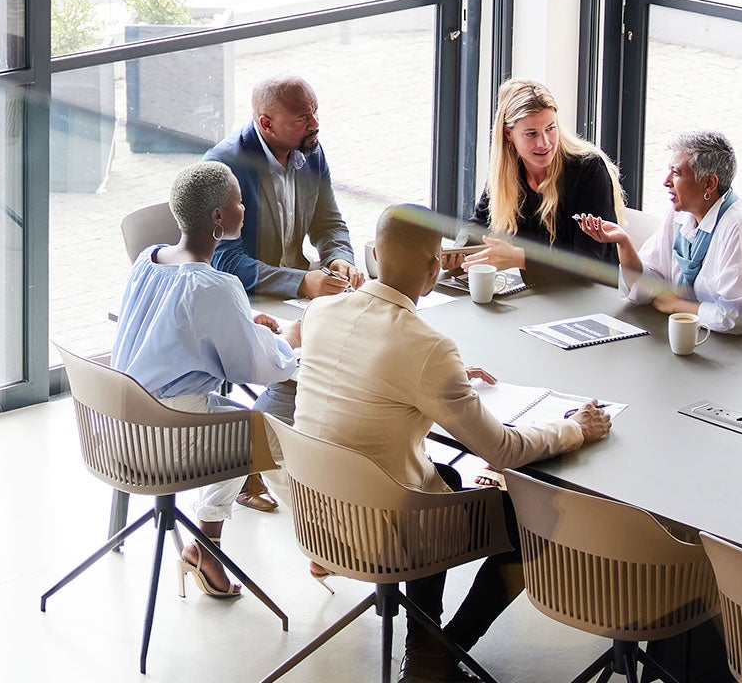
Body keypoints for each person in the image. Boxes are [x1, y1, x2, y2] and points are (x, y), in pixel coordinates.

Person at [295, 204, 613, 681]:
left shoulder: (322, 311)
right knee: (531, 515)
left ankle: (425, 643)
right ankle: (440, 654)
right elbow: (503, 452)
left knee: (441, 476)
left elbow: (364, 368)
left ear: (377, 255)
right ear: (433, 269)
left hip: (317, 516)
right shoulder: (427, 348)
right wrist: (575, 429)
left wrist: (434, 383)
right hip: (382, 532)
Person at [112, 161, 302, 598]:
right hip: (165, 437)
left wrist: (241, 319)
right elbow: (253, 369)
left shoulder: (149, 259)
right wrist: (290, 342)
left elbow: (173, 321)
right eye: (238, 201)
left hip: (119, 424)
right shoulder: (216, 286)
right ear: (218, 217)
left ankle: (206, 547)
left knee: (241, 422)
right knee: (264, 434)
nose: (244, 207)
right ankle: (308, 541)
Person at [576, 131, 742, 334]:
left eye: (676, 173)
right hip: (709, 336)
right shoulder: (679, 215)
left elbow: (736, 318)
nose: (666, 182)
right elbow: (652, 284)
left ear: (709, 184)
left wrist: (678, 306)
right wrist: (624, 243)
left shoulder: (740, 229)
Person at [202, 76, 364, 299]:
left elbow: (328, 223)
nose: (315, 124)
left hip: (299, 294)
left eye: (315, 112)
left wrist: (339, 258)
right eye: (302, 118)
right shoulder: (223, 167)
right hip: (247, 300)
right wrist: (301, 283)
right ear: (267, 124)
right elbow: (225, 260)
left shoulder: (310, 151)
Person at [465, 78, 624, 277]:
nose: (545, 143)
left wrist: (522, 259)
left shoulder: (589, 169)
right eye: (531, 134)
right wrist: (458, 250)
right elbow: (480, 223)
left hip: (592, 295)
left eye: (550, 128)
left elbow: (588, 263)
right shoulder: (508, 171)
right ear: (508, 134)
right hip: (541, 290)